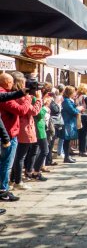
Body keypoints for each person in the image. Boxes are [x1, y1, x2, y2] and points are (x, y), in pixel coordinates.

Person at [0, 73, 30, 202]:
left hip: (10, 133)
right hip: (8, 134)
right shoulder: (3, 94)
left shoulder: (5, 93)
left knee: (6, 164)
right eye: (11, 83)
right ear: (7, 82)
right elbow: (21, 110)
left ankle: (4, 190)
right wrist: (28, 97)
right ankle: (3, 191)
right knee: (6, 165)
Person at [61, 86, 82, 163]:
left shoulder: (70, 100)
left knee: (68, 140)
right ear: (70, 93)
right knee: (66, 140)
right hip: (67, 122)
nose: (75, 93)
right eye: (74, 92)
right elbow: (73, 111)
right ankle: (66, 157)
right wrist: (78, 109)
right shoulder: (66, 101)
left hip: (70, 122)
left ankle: (68, 156)